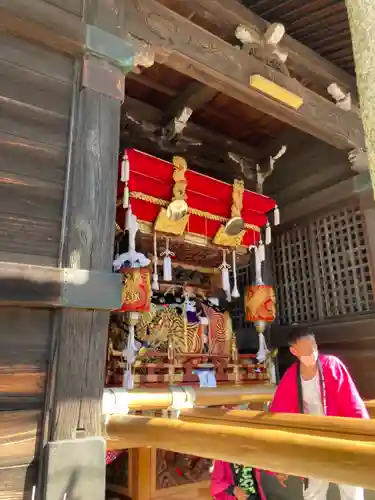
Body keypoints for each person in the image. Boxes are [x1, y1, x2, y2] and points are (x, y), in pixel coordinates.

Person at [270, 326, 369, 500]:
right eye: (307, 349)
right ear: (294, 351)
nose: (312, 352)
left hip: (340, 437)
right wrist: (278, 462)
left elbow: (353, 404)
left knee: (351, 489)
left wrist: (365, 438)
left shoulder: (332, 365)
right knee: (313, 493)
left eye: (314, 347)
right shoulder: (291, 376)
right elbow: (279, 416)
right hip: (310, 441)